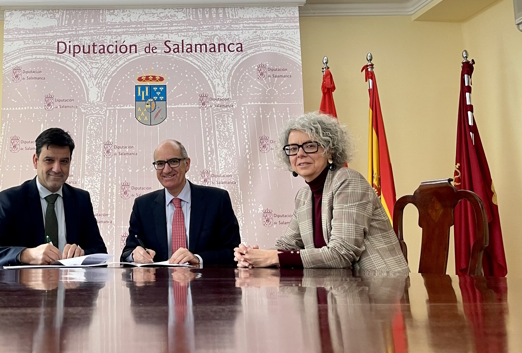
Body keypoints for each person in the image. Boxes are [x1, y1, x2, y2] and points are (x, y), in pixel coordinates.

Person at [234, 112, 408, 271]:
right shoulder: (303, 196)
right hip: (340, 290)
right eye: (293, 149)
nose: (300, 154)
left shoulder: (348, 181)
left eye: (309, 146)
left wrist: (271, 257)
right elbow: (287, 245)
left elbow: (342, 253)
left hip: (382, 289)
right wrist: (252, 256)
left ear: (329, 150)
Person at [0, 128, 107, 266]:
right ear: (35, 161)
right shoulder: (11, 200)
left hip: (69, 285)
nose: (57, 168)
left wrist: (81, 254)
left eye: (64, 161)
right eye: (49, 160)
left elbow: (100, 253)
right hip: (24, 286)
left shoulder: (81, 200)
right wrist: (26, 255)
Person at [121, 140, 241, 266]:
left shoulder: (217, 200)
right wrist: (134, 255)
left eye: (173, 161)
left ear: (187, 164)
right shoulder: (143, 206)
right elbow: (127, 252)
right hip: (158, 284)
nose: (166, 170)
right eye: (160, 163)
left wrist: (198, 259)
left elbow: (233, 253)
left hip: (204, 283)